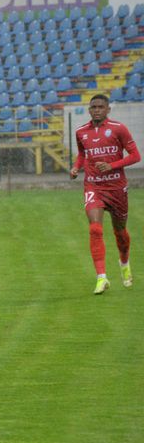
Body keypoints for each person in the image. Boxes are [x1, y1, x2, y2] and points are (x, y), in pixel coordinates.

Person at [69, 93, 140, 294]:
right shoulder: (81, 132)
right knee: (95, 229)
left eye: (101, 106)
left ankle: (124, 263)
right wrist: (76, 167)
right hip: (94, 186)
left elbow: (135, 156)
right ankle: (102, 278)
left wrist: (111, 165)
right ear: (90, 110)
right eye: (93, 107)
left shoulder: (119, 129)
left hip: (117, 188)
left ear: (108, 109)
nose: (97, 110)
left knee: (120, 232)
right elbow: (83, 154)